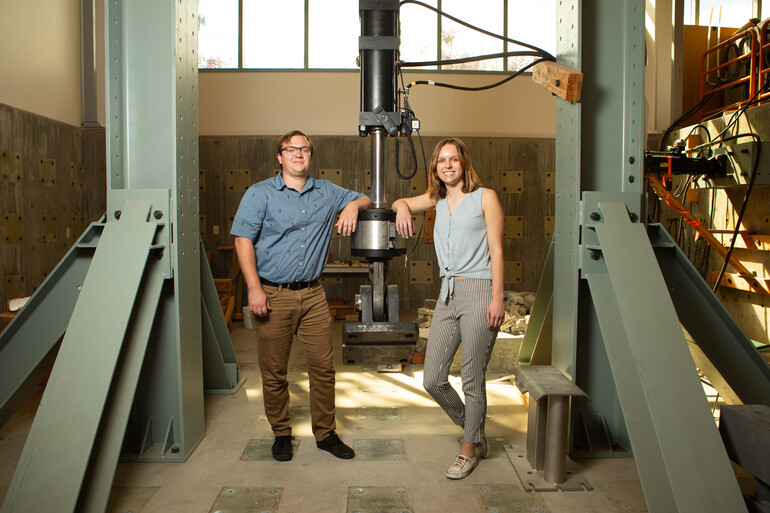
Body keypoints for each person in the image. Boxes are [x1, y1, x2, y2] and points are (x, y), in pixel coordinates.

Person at [231, 129, 371, 462]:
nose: (298, 154)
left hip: (312, 295)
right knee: (275, 371)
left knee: (324, 369)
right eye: (291, 149)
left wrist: (351, 206)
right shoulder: (260, 193)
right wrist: (253, 289)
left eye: (305, 149)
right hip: (272, 294)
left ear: (311, 155)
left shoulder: (326, 191)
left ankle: (325, 433)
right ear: (279, 157)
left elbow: (365, 198)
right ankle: (281, 433)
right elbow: (242, 241)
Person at [392, 137, 505, 479]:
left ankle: (469, 449)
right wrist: (399, 208)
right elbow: (402, 201)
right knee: (432, 378)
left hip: (480, 289)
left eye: (453, 159)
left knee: (471, 377)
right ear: (435, 168)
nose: (448, 165)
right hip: (448, 291)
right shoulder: (435, 198)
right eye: (442, 160)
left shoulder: (486, 198)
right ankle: (471, 425)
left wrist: (497, 298)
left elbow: (497, 250)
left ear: (464, 163)